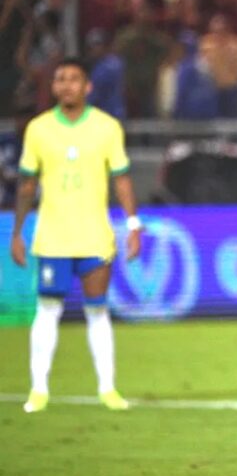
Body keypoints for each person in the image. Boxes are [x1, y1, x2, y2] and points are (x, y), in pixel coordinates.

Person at [9, 58, 143, 413]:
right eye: (60, 79)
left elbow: (122, 178)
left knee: (97, 310)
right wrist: (17, 232)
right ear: (53, 87)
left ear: (87, 86)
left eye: (73, 79)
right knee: (47, 309)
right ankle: (38, 390)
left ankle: (108, 389)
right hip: (53, 237)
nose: (66, 85)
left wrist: (133, 224)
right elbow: (27, 184)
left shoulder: (107, 127)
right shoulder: (38, 129)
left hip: (95, 235)